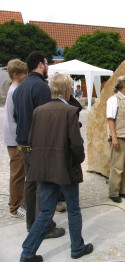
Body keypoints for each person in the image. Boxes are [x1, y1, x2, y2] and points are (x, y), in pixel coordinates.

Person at [19, 73, 93, 262]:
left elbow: (32, 139)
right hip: (65, 167)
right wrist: (80, 158)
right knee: (74, 209)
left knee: (45, 211)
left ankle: (27, 252)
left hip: (44, 166)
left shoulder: (39, 111)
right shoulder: (69, 112)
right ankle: (77, 247)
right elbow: (76, 143)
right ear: (68, 90)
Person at [13, 51, 64, 238]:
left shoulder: (20, 87)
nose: (48, 67)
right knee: (44, 186)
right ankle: (44, 228)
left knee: (31, 183)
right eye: (46, 63)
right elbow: (47, 119)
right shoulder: (41, 87)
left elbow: (16, 117)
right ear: (41, 64)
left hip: (24, 144)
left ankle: (32, 224)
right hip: (38, 144)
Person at [3, 59, 27, 218]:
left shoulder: (13, 88)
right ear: (16, 74)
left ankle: (17, 201)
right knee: (18, 174)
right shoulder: (15, 91)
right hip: (15, 139)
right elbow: (18, 117)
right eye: (24, 73)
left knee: (18, 172)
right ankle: (15, 206)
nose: (26, 75)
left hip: (12, 137)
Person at [106, 75, 125, 203]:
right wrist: (114, 137)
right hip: (119, 137)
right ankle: (113, 192)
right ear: (124, 85)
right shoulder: (113, 100)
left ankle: (123, 190)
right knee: (117, 166)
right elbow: (110, 119)